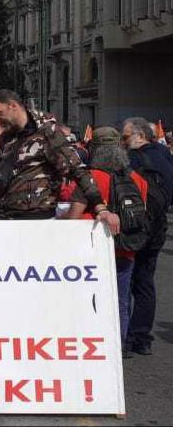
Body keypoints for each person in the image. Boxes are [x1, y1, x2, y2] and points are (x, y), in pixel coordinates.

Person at [66, 127, 148, 357]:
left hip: (91, 249)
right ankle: (119, 345)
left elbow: (73, 216)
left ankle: (90, 345)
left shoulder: (90, 178)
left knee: (88, 299)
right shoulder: (137, 179)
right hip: (125, 248)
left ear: (94, 150)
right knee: (121, 298)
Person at [0, 89, 118, 228]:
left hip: (37, 223)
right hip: (5, 220)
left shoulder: (47, 131)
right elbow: (6, 178)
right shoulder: (7, 137)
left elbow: (77, 169)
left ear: (13, 106)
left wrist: (100, 208)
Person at [121, 117, 173, 356]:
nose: (123, 142)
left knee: (127, 280)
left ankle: (125, 337)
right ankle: (142, 337)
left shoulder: (133, 159)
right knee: (145, 283)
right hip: (159, 227)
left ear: (140, 136)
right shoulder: (165, 156)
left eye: (125, 137)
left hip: (135, 228)